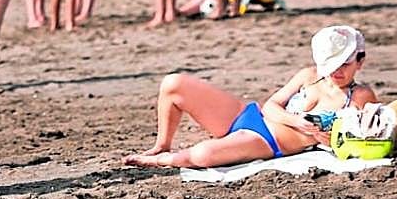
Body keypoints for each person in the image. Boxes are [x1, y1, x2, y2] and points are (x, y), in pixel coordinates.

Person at [125, 26, 376, 168]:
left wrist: (325, 139)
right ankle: (162, 144)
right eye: (331, 65)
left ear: (360, 62)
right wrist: (298, 122)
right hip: (249, 116)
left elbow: (362, 139)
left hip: (268, 142)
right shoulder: (309, 75)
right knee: (174, 84)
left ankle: (162, 160)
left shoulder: (361, 96)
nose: (336, 71)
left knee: (201, 155)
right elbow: (271, 106)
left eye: (344, 64)